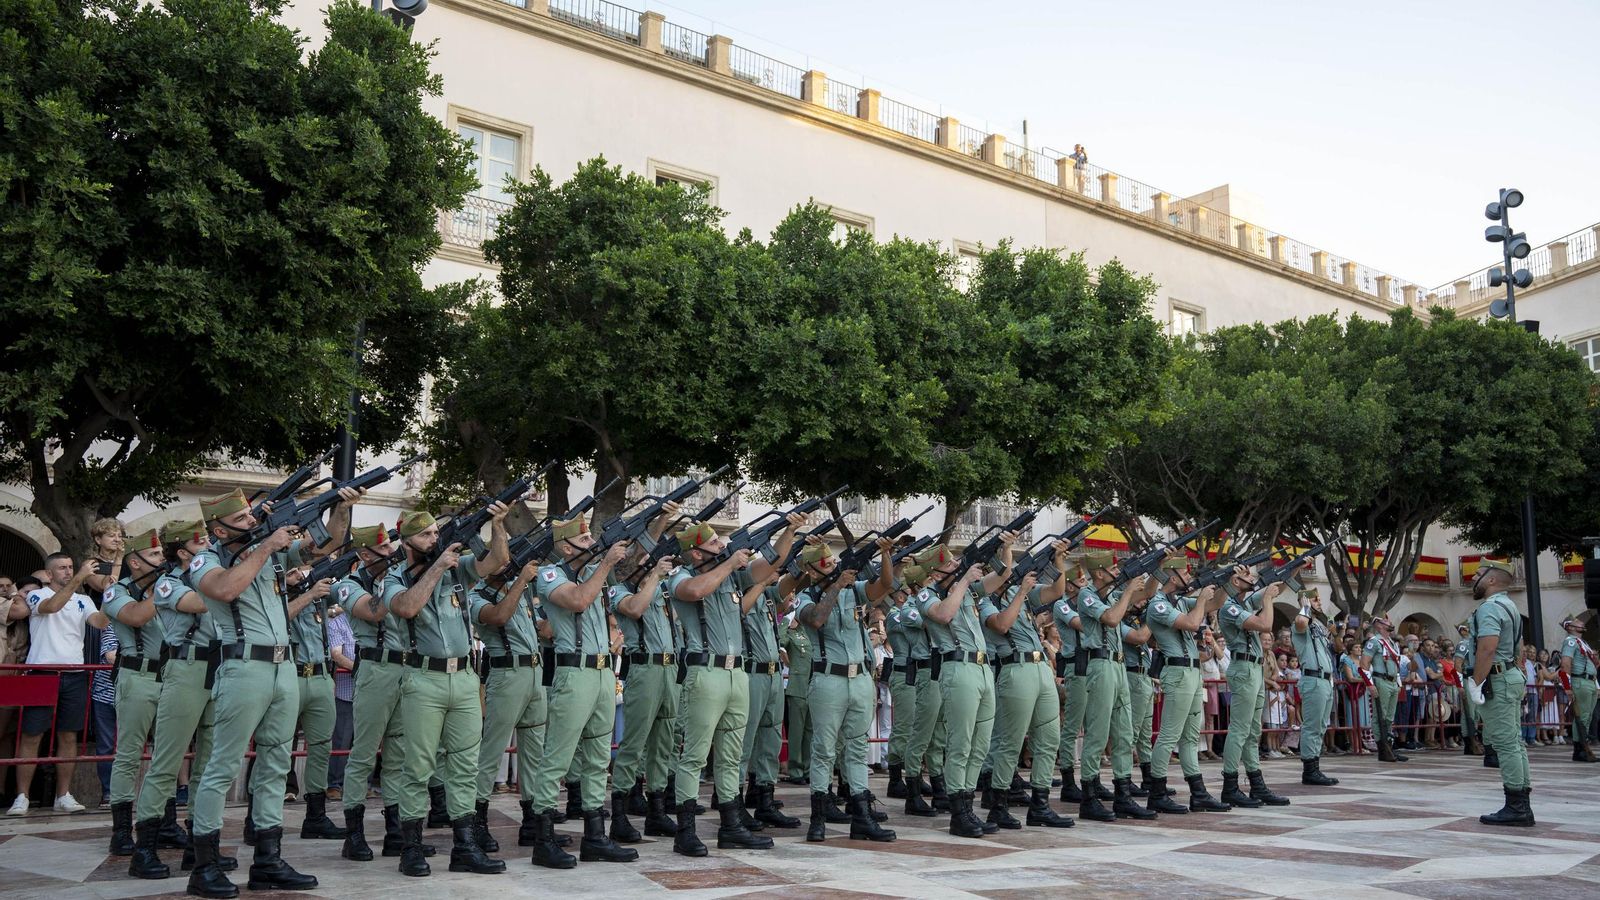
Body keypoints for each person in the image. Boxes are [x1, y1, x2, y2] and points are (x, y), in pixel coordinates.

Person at [186, 485, 356, 898]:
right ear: (219, 528)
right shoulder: (206, 560)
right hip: (243, 664)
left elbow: (325, 543)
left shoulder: (271, 552)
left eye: (251, 516)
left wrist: (343, 507)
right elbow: (225, 590)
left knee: (276, 764)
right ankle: (204, 865)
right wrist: (266, 546)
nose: (252, 522)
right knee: (222, 766)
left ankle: (268, 859)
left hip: (284, 666)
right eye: (243, 519)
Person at [384, 502, 512, 877]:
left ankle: (465, 847)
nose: (434, 539)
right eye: (425, 535)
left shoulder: (458, 569)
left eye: (436, 533)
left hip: (464, 677)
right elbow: (406, 608)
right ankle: (410, 846)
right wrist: (437, 567)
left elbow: (495, 563)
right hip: (424, 678)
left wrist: (499, 526)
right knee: (419, 765)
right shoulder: (396, 576)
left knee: (464, 765)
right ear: (406, 541)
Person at [666, 521, 791, 856]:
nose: (721, 547)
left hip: (737, 673)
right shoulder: (680, 576)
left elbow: (771, 565)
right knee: (693, 755)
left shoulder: (732, 575)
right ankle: (686, 830)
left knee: (731, 755)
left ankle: (731, 825)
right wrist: (728, 562)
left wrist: (790, 531)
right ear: (695, 551)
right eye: (713, 545)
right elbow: (695, 592)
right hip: (705, 673)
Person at [525, 516, 638, 869]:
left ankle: (594, 837)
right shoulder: (550, 576)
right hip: (574, 673)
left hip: (603, 671)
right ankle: (542, 839)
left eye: (591, 535)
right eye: (584, 537)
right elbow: (577, 601)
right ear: (566, 545)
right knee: (557, 757)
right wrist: (604, 563)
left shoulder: (594, 573)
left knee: (597, 758)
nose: (592, 541)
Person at [130, 520, 233, 880]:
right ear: (181, 550)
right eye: (199, 541)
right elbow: (202, 603)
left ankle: (199, 844)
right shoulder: (167, 583)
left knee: (209, 763)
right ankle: (144, 847)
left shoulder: (212, 573)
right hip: (186, 668)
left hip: (218, 668)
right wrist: (221, 578)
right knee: (166, 762)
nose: (207, 545)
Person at [334, 524, 432, 864]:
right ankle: (354, 833)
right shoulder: (348, 585)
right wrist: (397, 584)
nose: (392, 556)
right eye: (384, 552)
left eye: (393, 550)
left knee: (399, 755)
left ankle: (396, 832)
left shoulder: (401, 578)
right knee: (363, 754)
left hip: (408, 669)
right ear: (364, 555)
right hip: (375, 670)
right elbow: (375, 611)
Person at [789, 540, 896, 843]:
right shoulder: (806, 596)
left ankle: (861, 815)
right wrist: (835, 586)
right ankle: (818, 817)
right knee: (823, 750)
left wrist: (885, 554)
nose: (831, 566)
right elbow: (818, 618)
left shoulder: (853, 589)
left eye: (831, 562)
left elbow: (885, 585)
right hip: (828, 680)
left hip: (860, 677)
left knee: (857, 749)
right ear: (810, 570)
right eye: (824, 563)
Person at [915, 540, 1015, 838]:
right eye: (948, 565)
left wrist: (1006, 549)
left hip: (983, 668)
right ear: (934, 572)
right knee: (960, 742)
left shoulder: (968, 589)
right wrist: (963, 580)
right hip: (957, 667)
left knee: (980, 744)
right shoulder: (926, 594)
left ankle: (969, 806)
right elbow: (944, 615)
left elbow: (1003, 576)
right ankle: (958, 811)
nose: (955, 567)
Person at [978, 539, 1075, 829]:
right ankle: (998, 804)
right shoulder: (985, 601)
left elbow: (1058, 590)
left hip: (1040, 667)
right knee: (1010, 743)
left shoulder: (1023, 594)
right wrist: (1019, 592)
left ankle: (1041, 805)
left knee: (1048, 740)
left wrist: (1058, 561)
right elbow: (1002, 625)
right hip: (1014, 669)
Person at [8, 552, 100, 816]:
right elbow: (52, 608)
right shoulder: (38, 595)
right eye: (62, 568)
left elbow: (99, 622)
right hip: (42, 672)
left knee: (69, 735)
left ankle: (63, 795)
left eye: (71, 567)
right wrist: (81, 577)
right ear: (48, 574)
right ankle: (22, 796)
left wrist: (114, 601)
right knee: (31, 734)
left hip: (75, 673)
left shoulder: (83, 599)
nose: (68, 572)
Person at [100, 529, 170, 861]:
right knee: (129, 755)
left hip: (171, 677)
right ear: (135, 562)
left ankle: (164, 823)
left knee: (168, 754)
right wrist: (165, 589)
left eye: (161, 555)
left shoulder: (169, 589)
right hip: (137, 676)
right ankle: (120, 831)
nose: (162, 561)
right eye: (155, 556)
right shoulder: (117, 592)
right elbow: (137, 616)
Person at [1143, 559, 1232, 813]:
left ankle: (1198, 792)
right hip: (1178, 671)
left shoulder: (1180, 601)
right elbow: (1192, 623)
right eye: (1183, 572)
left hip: (1192, 672)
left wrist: (1223, 583)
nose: (1188, 575)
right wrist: (1202, 598)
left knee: (1191, 736)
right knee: (1170, 735)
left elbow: (1215, 603)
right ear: (1172, 577)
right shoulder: (1157, 604)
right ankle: (1157, 792)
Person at [608, 551, 683, 842]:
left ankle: (657, 811)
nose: (653, 567)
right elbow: (636, 609)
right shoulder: (620, 591)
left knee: (664, 744)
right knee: (634, 744)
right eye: (646, 564)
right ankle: (619, 815)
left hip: (669, 668)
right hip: (644, 669)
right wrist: (654, 576)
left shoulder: (661, 591)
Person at [734, 546, 800, 832]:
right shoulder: (738, 593)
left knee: (771, 741)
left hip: (773, 675)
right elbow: (739, 612)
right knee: (742, 742)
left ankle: (764, 799)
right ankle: (732, 802)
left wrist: (798, 559)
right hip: (750, 673)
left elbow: (787, 585)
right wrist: (762, 581)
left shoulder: (768, 598)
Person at [1465, 558, 1533, 826]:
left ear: (1491, 580)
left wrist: (1477, 682)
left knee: (1506, 744)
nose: (1473, 578)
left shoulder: (1490, 608)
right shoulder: (1510, 606)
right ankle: (1521, 801)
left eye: (1479, 574)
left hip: (1497, 678)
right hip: (1509, 675)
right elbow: (1518, 649)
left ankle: (1517, 806)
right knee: (1515, 742)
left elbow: (1487, 649)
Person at [286, 542, 347, 842]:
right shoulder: (276, 595)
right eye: (292, 570)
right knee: (277, 747)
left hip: (321, 675)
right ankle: (257, 819)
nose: (299, 574)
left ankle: (316, 815)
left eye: (301, 569)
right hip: (290, 675)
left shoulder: (317, 597)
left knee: (321, 748)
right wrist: (306, 593)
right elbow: (277, 617)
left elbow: (344, 595)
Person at [1217, 573, 1291, 807]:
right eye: (1246, 575)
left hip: (1256, 668)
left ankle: (1256, 784)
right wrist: (1268, 599)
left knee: (1253, 730)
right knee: (1239, 729)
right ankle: (1230, 786)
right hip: (1243, 668)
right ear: (1235, 582)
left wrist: (1296, 569)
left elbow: (1278, 587)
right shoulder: (1228, 607)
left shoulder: (1245, 603)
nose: (1253, 577)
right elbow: (1265, 625)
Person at [1291, 588, 1340, 786]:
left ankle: (1315, 766)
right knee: (1312, 725)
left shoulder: (1318, 625)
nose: (1319, 602)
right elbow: (1302, 623)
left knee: (1321, 725)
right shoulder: (1300, 621)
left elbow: (1337, 648)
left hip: (1326, 679)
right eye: (1315, 599)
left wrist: (1337, 632)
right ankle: (1309, 770)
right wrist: (1305, 606)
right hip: (1313, 678)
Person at [1360, 615, 1407, 762]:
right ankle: (1382, 748)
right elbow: (1364, 664)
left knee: (1389, 717)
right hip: (1381, 680)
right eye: (1386, 621)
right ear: (1379, 625)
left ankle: (1389, 746)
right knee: (1380, 715)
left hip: (1392, 682)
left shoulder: (1392, 642)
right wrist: (1370, 684)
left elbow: (1396, 664)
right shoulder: (1374, 642)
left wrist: (1398, 683)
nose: (1390, 622)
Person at [1557, 616, 1597, 762]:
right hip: (1580, 680)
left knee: (1587, 717)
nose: (1581, 623)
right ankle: (1579, 750)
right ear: (1571, 627)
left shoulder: (1582, 642)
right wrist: (1567, 687)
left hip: (1589, 681)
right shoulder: (1571, 641)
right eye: (1577, 622)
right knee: (1582, 717)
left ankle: (1583, 747)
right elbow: (1565, 664)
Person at [780, 614, 812, 784]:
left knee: (810, 732)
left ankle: (808, 768)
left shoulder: (808, 631)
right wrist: (785, 620)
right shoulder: (789, 633)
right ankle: (795, 770)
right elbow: (780, 641)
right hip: (798, 685)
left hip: (813, 685)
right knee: (797, 732)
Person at [1454, 622, 1485, 758]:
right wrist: (1460, 686)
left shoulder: (1475, 644)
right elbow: (1457, 665)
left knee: (1477, 713)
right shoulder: (1463, 644)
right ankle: (1469, 741)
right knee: (1469, 713)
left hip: (1477, 680)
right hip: (1467, 679)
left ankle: (1474, 739)